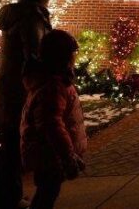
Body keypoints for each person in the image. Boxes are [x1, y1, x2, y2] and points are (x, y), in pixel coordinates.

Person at [0, 0, 53, 209]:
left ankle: (6, 197)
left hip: (9, 89)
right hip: (21, 91)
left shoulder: (15, 15)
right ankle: (3, 200)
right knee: (14, 147)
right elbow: (35, 54)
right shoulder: (30, 17)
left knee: (11, 148)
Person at [21, 30, 87, 209]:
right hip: (48, 154)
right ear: (62, 56)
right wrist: (67, 155)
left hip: (49, 153)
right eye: (72, 54)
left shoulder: (54, 80)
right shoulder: (53, 86)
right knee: (47, 193)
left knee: (48, 191)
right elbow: (51, 125)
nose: (74, 58)